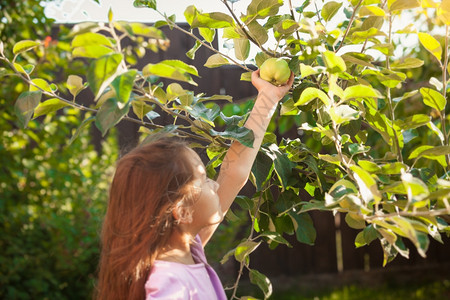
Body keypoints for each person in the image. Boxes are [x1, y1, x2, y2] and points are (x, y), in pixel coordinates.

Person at [95, 69, 294, 300]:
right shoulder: (168, 283)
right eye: (205, 180)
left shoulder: (190, 250)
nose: (216, 185)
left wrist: (268, 97)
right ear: (182, 211)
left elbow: (234, 173)